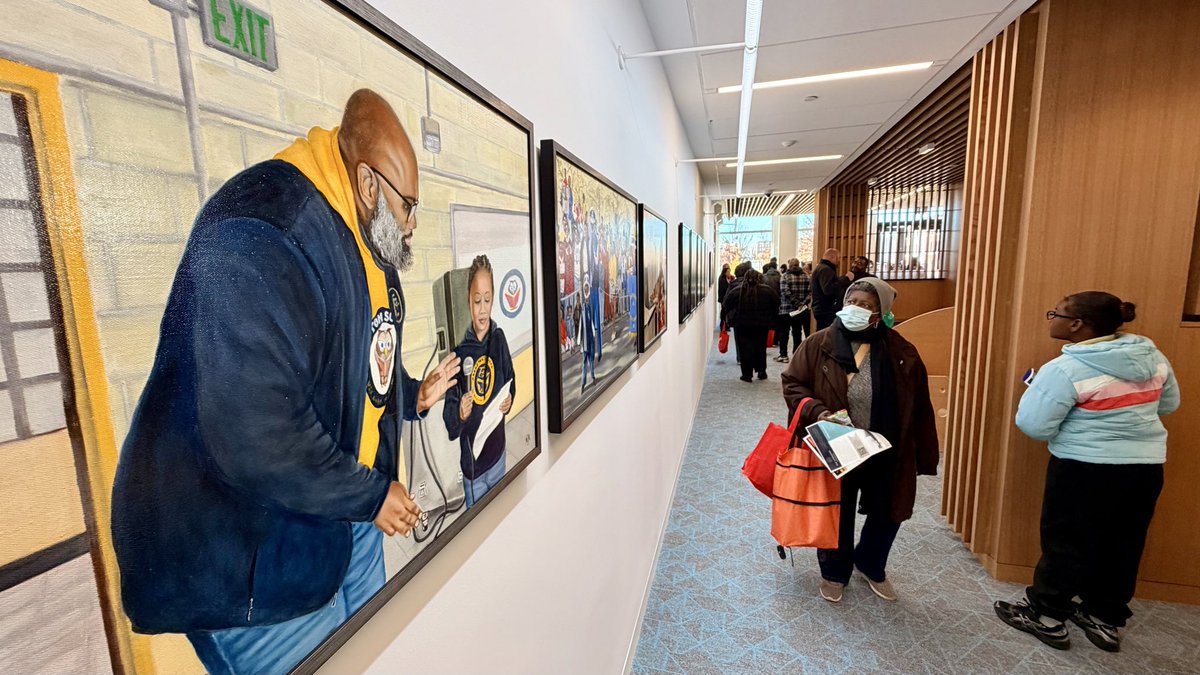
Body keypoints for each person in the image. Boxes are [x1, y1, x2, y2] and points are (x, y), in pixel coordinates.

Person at [110, 90, 463, 675]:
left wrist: (410, 395)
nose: (412, 224)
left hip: (343, 524)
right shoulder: (262, 227)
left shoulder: (363, 239)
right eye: (408, 206)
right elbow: (257, 433)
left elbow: (359, 369)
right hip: (251, 568)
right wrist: (371, 496)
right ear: (368, 183)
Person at [994, 292, 1180, 653]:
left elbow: (1034, 425)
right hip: (1144, 468)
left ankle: (1047, 617)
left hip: (1083, 468)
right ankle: (1104, 618)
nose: (1052, 319)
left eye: (1056, 314)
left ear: (1077, 324)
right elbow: (1169, 404)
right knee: (1124, 543)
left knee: (1067, 542)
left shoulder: (1065, 369)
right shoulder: (1153, 358)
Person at [782, 278, 939, 603]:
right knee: (837, 510)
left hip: (885, 445)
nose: (856, 309)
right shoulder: (819, 343)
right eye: (852, 301)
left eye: (866, 305)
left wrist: (924, 453)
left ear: (880, 314)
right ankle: (834, 571)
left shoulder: (902, 352)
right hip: (836, 445)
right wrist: (819, 412)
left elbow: (919, 405)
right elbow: (793, 383)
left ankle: (870, 563)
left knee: (888, 510)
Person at [443, 255, 515, 508]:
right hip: (473, 472)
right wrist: (460, 414)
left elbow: (511, 380)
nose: (482, 309)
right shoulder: (458, 353)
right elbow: (450, 423)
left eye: (487, 300)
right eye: (477, 301)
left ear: (493, 299)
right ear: (468, 301)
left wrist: (510, 400)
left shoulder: (499, 339)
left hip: (498, 457)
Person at [722, 269, 780, 382]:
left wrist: (728, 318)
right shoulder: (767, 290)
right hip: (762, 324)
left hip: (742, 324)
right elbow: (777, 303)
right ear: (759, 278)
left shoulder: (737, 291)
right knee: (760, 347)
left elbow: (726, 305)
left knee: (745, 349)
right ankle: (761, 371)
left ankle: (747, 374)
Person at [776, 257, 811, 361]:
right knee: (797, 332)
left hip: (786, 309)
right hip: (800, 310)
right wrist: (802, 304)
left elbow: (785, 292)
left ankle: (783, 355)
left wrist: (796, 303)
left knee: (784, 333)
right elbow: (810, 293)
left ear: (789, 266)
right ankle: (796, 355)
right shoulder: (806, 276)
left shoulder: (785, 276)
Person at [811, 248, 851, 331]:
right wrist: (845, 279)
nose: (840, 261)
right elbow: (828, 290)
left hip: (820, 308)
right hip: (825, 310)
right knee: (826, 334)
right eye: (839, 258)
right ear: (833, 257)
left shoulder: (821, 267)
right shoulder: (826, 269)